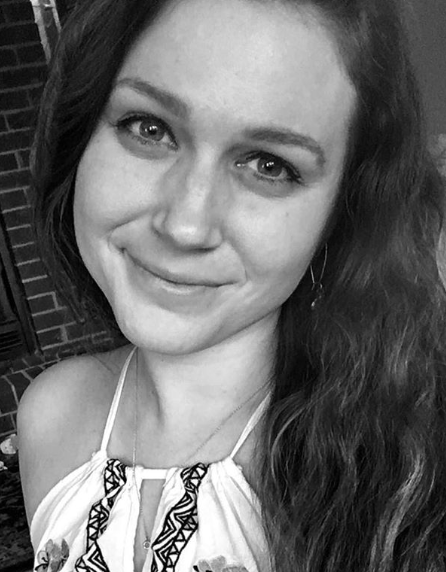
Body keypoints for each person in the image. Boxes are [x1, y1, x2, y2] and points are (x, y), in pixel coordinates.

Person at [17, 0, 446, 570]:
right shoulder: (51, 416)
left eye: (269, 165)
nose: (185, 226)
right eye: (150, 129)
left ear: (341, 215)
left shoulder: (405, 469)